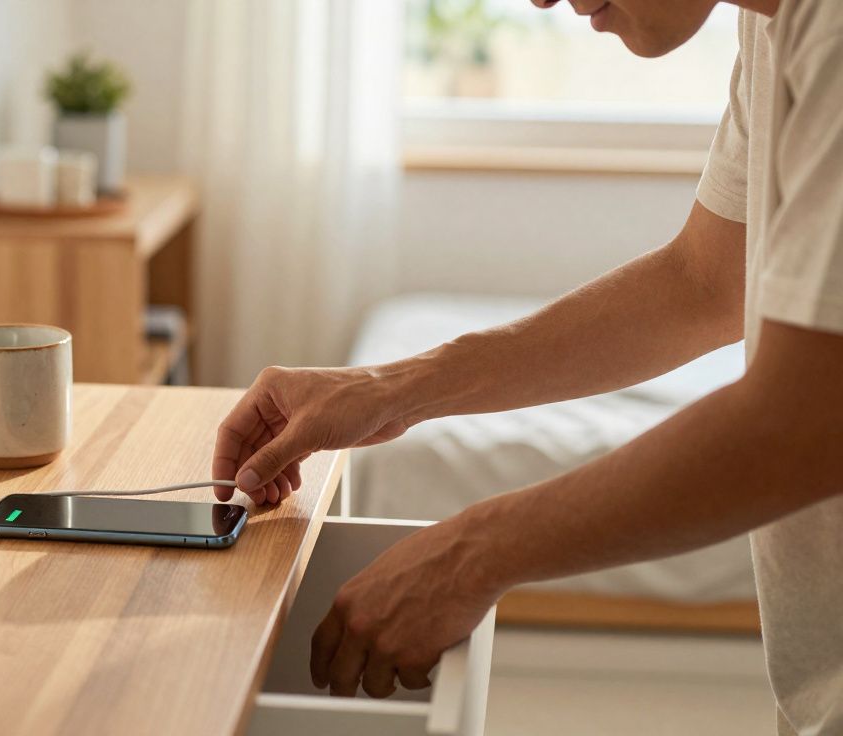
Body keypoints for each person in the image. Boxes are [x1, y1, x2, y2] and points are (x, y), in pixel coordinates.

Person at [211, 0, 843, 732]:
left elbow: (804, 418)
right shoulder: (778, 24)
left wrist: (472, 553)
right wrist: (388, 388)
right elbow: (703, 284)